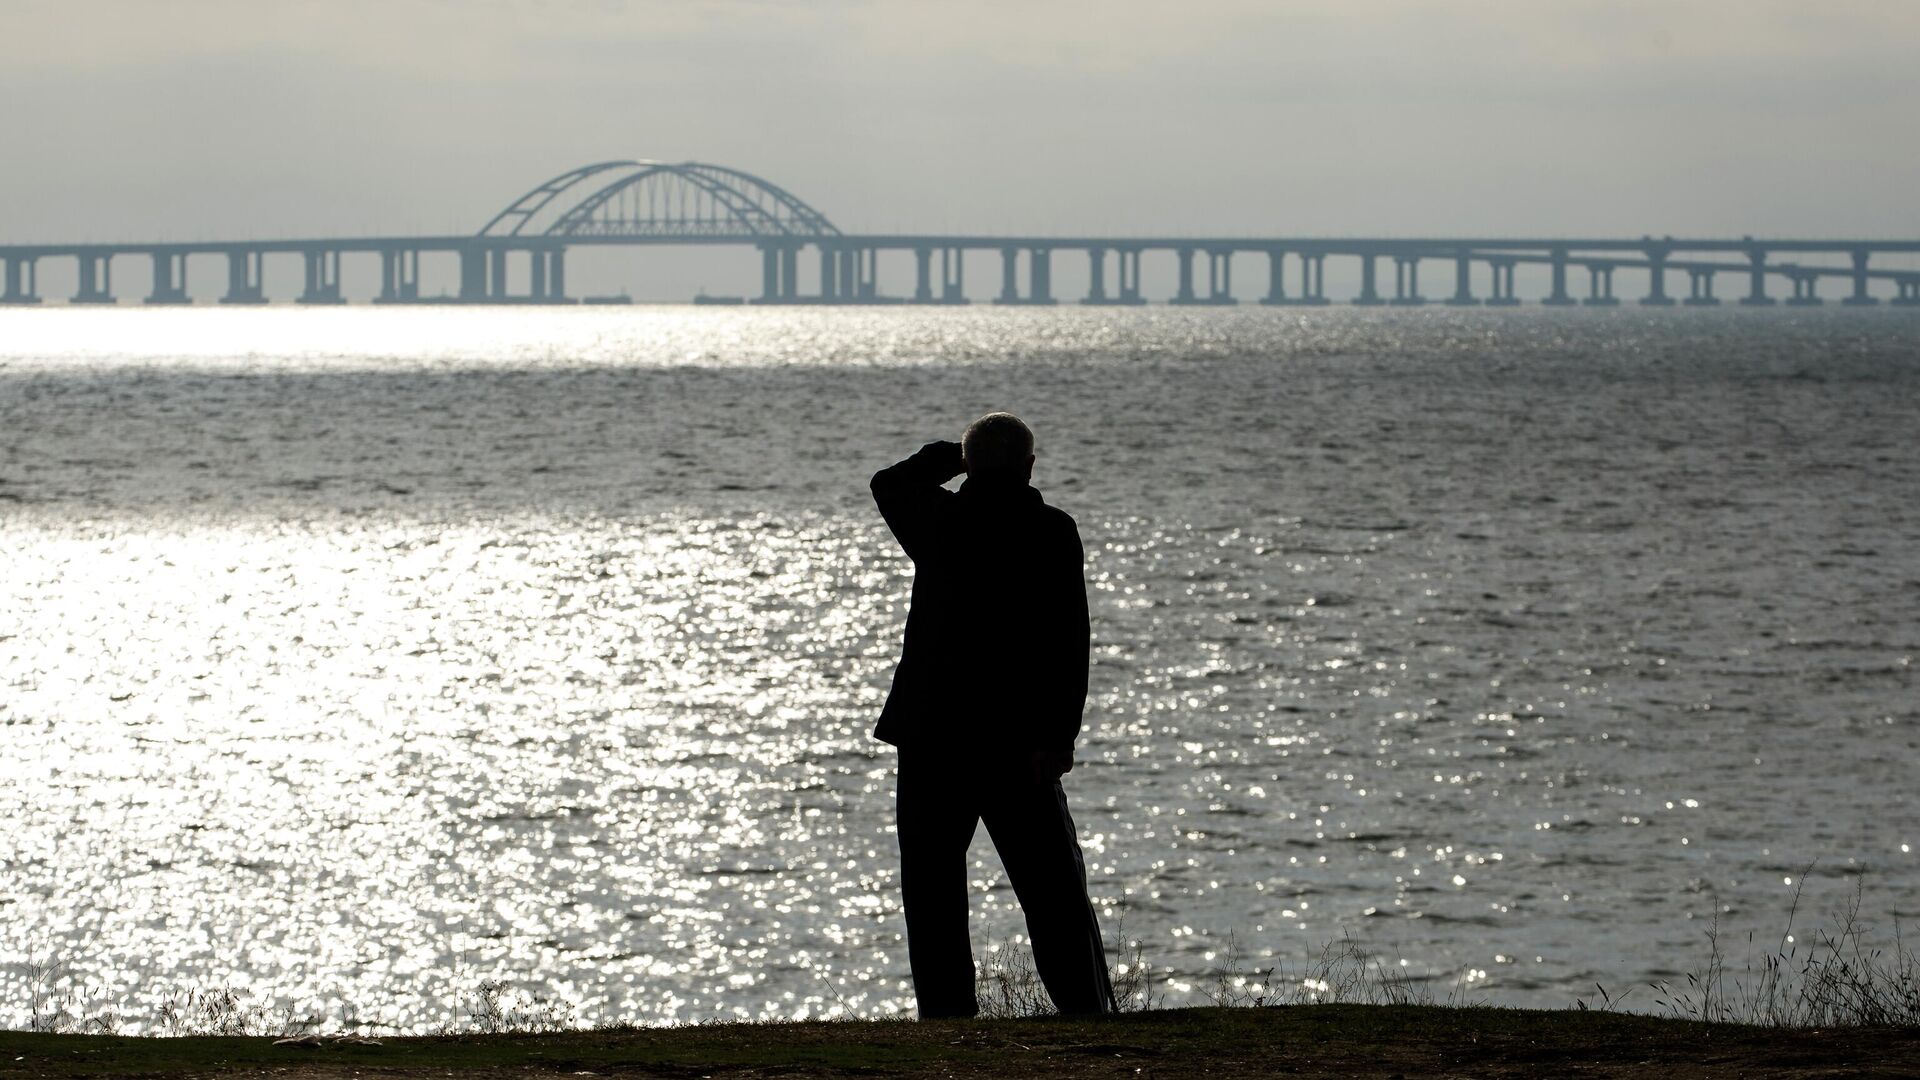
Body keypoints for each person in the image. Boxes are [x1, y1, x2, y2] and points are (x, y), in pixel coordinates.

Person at [870, 411, 1115, 1018]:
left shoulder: (938, 519)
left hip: (932, 739)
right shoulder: (1053, 532)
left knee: (932, 893)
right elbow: (1070, 643)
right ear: (1030, 466)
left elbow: (888, 482)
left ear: (969, 464)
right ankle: (1084, 1009)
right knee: (1054, 891)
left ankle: (946, 1017)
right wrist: (1059, 737)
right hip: (1020, 742)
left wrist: (952, 458)